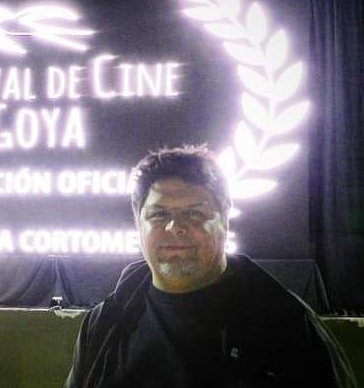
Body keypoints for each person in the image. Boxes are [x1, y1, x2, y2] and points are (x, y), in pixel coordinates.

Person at [64, 145, 357, 388]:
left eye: (194, 214)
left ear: (225, 221)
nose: (175, 226)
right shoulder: (106, 323)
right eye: (158, 214)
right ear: (138, 225)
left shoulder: (288, 326)